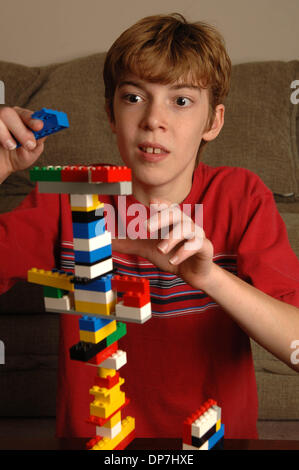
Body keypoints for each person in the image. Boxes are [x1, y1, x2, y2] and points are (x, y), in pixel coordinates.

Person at [0, 13, 298, 441]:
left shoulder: (242, 196)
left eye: (181, 101)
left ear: (212, 122)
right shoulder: (67, 195)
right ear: (111, 111)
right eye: (134, 97)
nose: (153, 119)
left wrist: (210, 276)